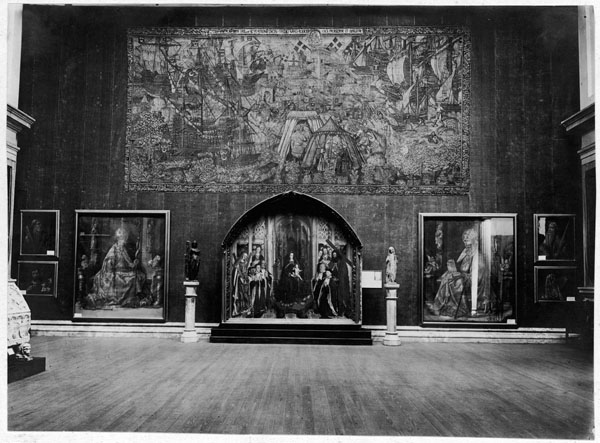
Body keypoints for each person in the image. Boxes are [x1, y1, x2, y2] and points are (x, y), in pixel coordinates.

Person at [84, 227, 147, 309]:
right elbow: (109, 265)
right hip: (113, 273)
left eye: (125, 239)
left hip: (123, 271)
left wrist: (134, 264)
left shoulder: (123, 249)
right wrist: (114, 272)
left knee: (139, 275)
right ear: (118, 239)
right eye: (123, 239)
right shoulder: (114, 249)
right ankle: (127, 299)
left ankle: (135, 297)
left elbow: (127, 264)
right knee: (133, 277)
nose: (124, 241)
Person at [431, 228, 487, 318]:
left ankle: (453, 307)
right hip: (465, 278)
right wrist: (454, 268)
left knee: (454, 280)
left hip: (474, 285)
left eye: (467, 241)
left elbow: (476, 279)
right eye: (464, 241)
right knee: (448, 275)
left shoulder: (478, 258)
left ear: (474, 242)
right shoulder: (466, 254)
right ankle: (440, 304)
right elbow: (462, 268)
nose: (466, 244)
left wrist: (460, 275)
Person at [231, 251, 250, 316]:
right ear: (242, 255)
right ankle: (239, 309)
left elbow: (245, 271)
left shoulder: (245, 262)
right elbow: (237, 271)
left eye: (246, 256)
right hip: (239, 280)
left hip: (244, 279)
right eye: (244, 255)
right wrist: (240, 276)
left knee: (245, 293)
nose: (245, 257)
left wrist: (245, 277)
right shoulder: (239, 263)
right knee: (240, 294)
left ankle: (245, 308)